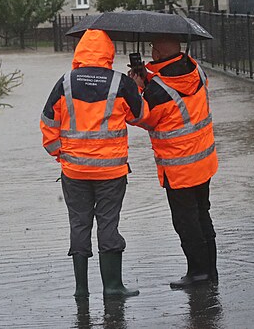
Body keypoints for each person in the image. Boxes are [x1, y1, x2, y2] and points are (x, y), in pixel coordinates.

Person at [40, 29, 147, 298]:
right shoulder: (121, 83)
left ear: (80, 52)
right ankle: (112, 287)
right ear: (108, 52)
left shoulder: (64, 82)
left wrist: (61, 156)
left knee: (79, 224)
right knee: (108, 224)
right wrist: (138, 86)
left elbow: (48, 124)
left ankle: (81, 289)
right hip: (111, 171)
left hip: (74, 171)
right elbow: (140, 116)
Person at [129, 35, 218, 289]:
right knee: (202, 215)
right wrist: (149, 80)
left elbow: (142, 117)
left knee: (185, 222)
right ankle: (210, 270)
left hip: (179, 168)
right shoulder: (196, 70)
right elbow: (178, 92)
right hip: (204, 161)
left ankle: (197, 273)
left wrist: (137, 88)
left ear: (156, 53)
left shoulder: (158, 91)